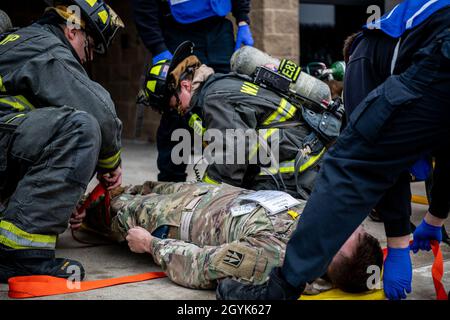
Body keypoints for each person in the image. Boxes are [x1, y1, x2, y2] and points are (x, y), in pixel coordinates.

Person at [216, 0, 450, 300]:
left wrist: (399, 243)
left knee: (347, 165)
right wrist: (434, 219)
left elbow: (373, 160)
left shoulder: (362, 54)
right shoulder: (408, 34)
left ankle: (280, 289)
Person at [0, 0, 124, 282]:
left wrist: (60, 202)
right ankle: (20, 255)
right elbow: (100, 112)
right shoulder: (46, 48)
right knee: (80, 128)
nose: (86, 59)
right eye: (89, 47)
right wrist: (110, 163)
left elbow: (32, 143)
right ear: (72, 30)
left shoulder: (20, 44)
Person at [77, 180, 383, 293]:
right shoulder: (319, 227)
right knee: (131, 186)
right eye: (355, 229)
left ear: (331, 260)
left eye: (346, 236)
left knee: (98, 208)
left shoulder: (274, 259)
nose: (342, 226)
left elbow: (201, 266)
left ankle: (85, 219)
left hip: (173, 218)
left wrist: (151, 245)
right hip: (204, 193)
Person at [143, 41, 342, 199]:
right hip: (305, 158)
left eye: (171, 104)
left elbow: (232, 155)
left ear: (185, 85)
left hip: (296, 174)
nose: (175, 110)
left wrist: (204, 196)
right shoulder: (220, 85)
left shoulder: (214, 98)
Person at [132, 0, 253, 183]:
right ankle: (170, 183)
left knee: (229, 103)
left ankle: (234, 179)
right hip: (178, 30)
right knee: (177, 108)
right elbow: (142, 5)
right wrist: (157, 47)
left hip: (219, 28)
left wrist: (243, 19)